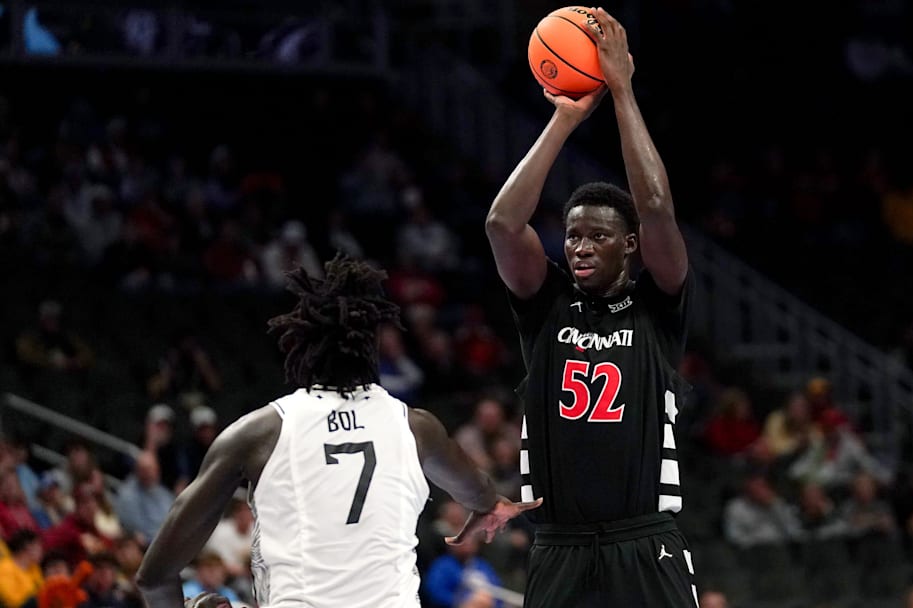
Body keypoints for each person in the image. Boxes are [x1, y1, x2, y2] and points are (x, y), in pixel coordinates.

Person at [136, 253, 540, 608]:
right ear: (372, 348)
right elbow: (479, 493)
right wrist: (492, 507)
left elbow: (154, 577)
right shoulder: (417, 428)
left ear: (299, 347)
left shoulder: (257, 433)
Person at [484, 7, 697, 606]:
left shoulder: (658, 305)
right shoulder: (545, 303)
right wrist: (564, 119)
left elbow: (654, 206)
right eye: (573, 235)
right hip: (558, 545)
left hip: (644, 540)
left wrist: (622, 90)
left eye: (597, 236)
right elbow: (503, 224)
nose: (579, 246)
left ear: (628, 245)